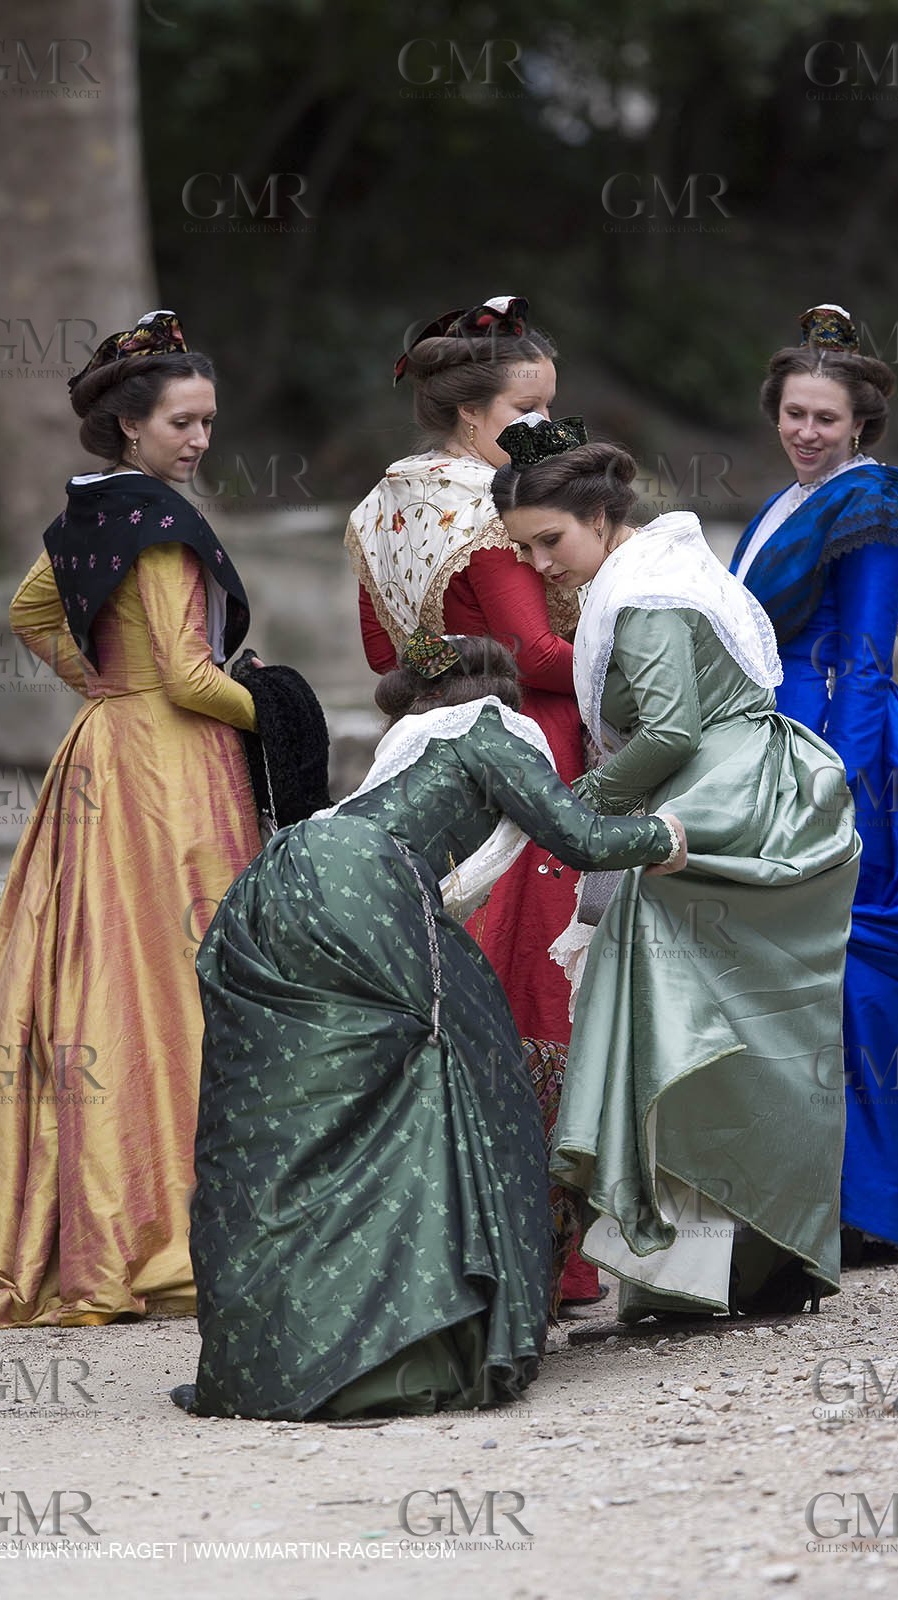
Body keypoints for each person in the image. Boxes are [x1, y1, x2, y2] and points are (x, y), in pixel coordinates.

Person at [172, 633, 687, 1420]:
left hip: (269, 885)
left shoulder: (405, 750)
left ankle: (262, 1361)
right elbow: (579, 839)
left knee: (292, 1121)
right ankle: (414, 1345)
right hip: (364, 885)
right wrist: (671, 836)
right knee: (464, 1084)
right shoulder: (493, 730)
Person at [0, 311, 271, 1327]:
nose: (199, 439)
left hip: (107, 749)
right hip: (172, 770)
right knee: (179, 977)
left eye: (207, 421)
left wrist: (101, 688)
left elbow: (30, 614)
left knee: (110, 976)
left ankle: (112, 1217)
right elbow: (189, 677)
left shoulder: (93, 510)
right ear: (130, 425)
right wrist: (279, 711)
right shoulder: (157, 524)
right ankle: (172, 1228)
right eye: (181, 422)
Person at [493, 415, 862, 1321]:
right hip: (745, 784)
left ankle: (710, 1263)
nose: (539, 565)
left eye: (550, 541)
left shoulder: (646, 597)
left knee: (680, 1016)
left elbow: (666, 732)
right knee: (739, 1030)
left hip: (723, 803)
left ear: (600, 517)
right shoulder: (650, 571)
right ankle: (745, 1263)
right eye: (524, 549)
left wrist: (567, 807)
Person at [348, 295, 599, 1304]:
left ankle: (446, 1233)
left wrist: (443, 674)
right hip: (529, 751)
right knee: (536, 983)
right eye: (524, 411)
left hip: (422, 758)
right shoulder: (492, 505)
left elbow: (382, 652)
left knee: (450, 978)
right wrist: (637, 647)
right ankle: (547, 1253)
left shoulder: (380, 504)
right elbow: (534, 654)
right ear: (467, 413)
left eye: (549, 407)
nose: (544, 427)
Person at [731, 303, 898, 1262]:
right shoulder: (780, 504)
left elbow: (866, 663)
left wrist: (835, 785)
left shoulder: (864, 506)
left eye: (824, 418)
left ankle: (870, 1205)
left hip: (839, 747)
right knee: (795, 973)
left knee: (857, 973)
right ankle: (803, 1190)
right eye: (793, 413)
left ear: (859, 422)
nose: (805, 431)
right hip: (776, 739)